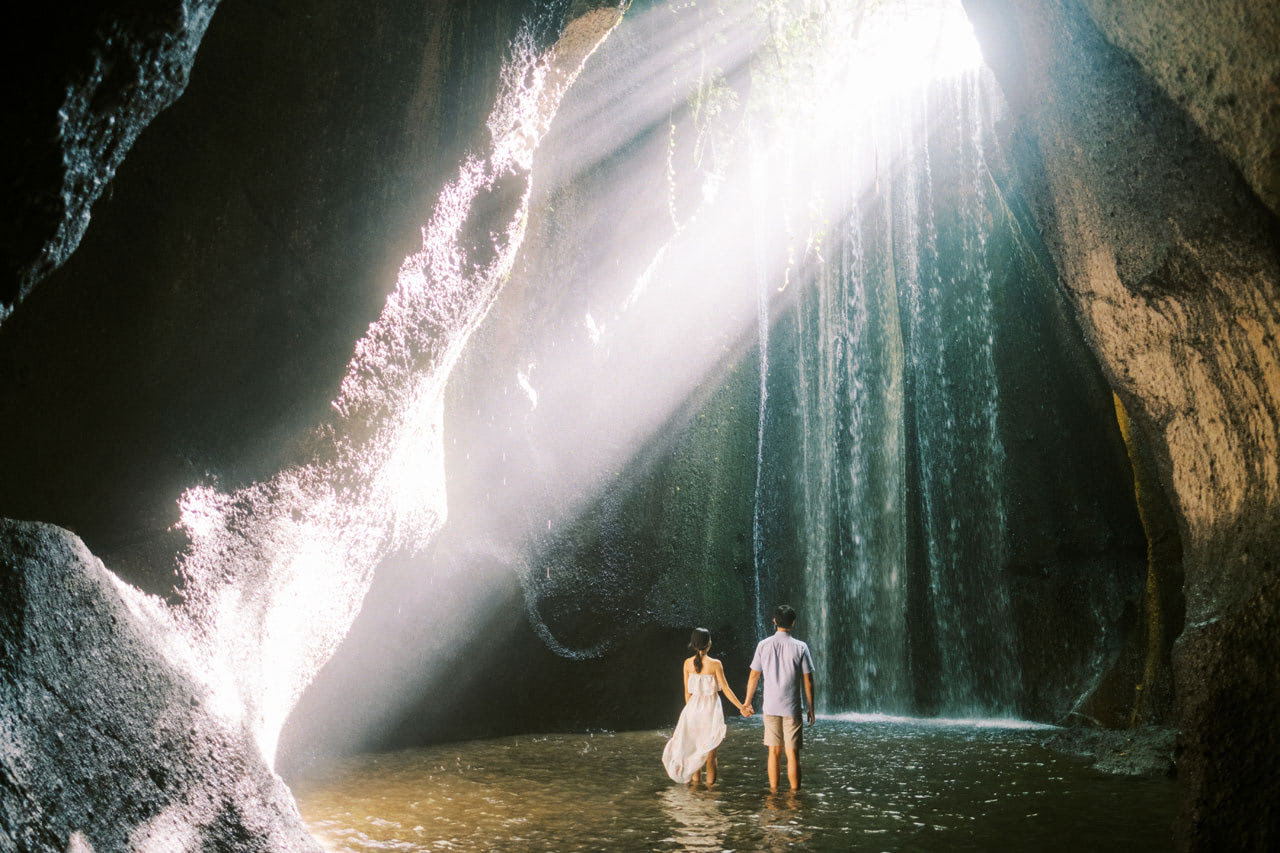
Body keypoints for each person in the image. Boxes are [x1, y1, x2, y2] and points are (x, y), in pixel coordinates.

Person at [662, 628, 752, 785]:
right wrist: (741, 707)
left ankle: (696, 791)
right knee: (711, 755)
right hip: (710, 711)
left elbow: (686, 693)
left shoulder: (687, 664)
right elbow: (726, 689)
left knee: (695, 751)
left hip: (692, 710)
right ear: (709, 644)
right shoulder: (715, 664)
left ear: (694, 644)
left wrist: (690, 713)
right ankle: (710, 795)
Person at [743, 604, 815, 791]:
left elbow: (753, 676)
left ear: (774, 621)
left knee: (773, 752)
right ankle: (794, 796)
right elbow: (808, 681)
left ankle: (773, 793)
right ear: (793, 623)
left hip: (771, 706)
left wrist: (747, 702)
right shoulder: (801, 647)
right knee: (792, 753)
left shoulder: (763, 645)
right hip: (792, 707)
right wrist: (811, 707)